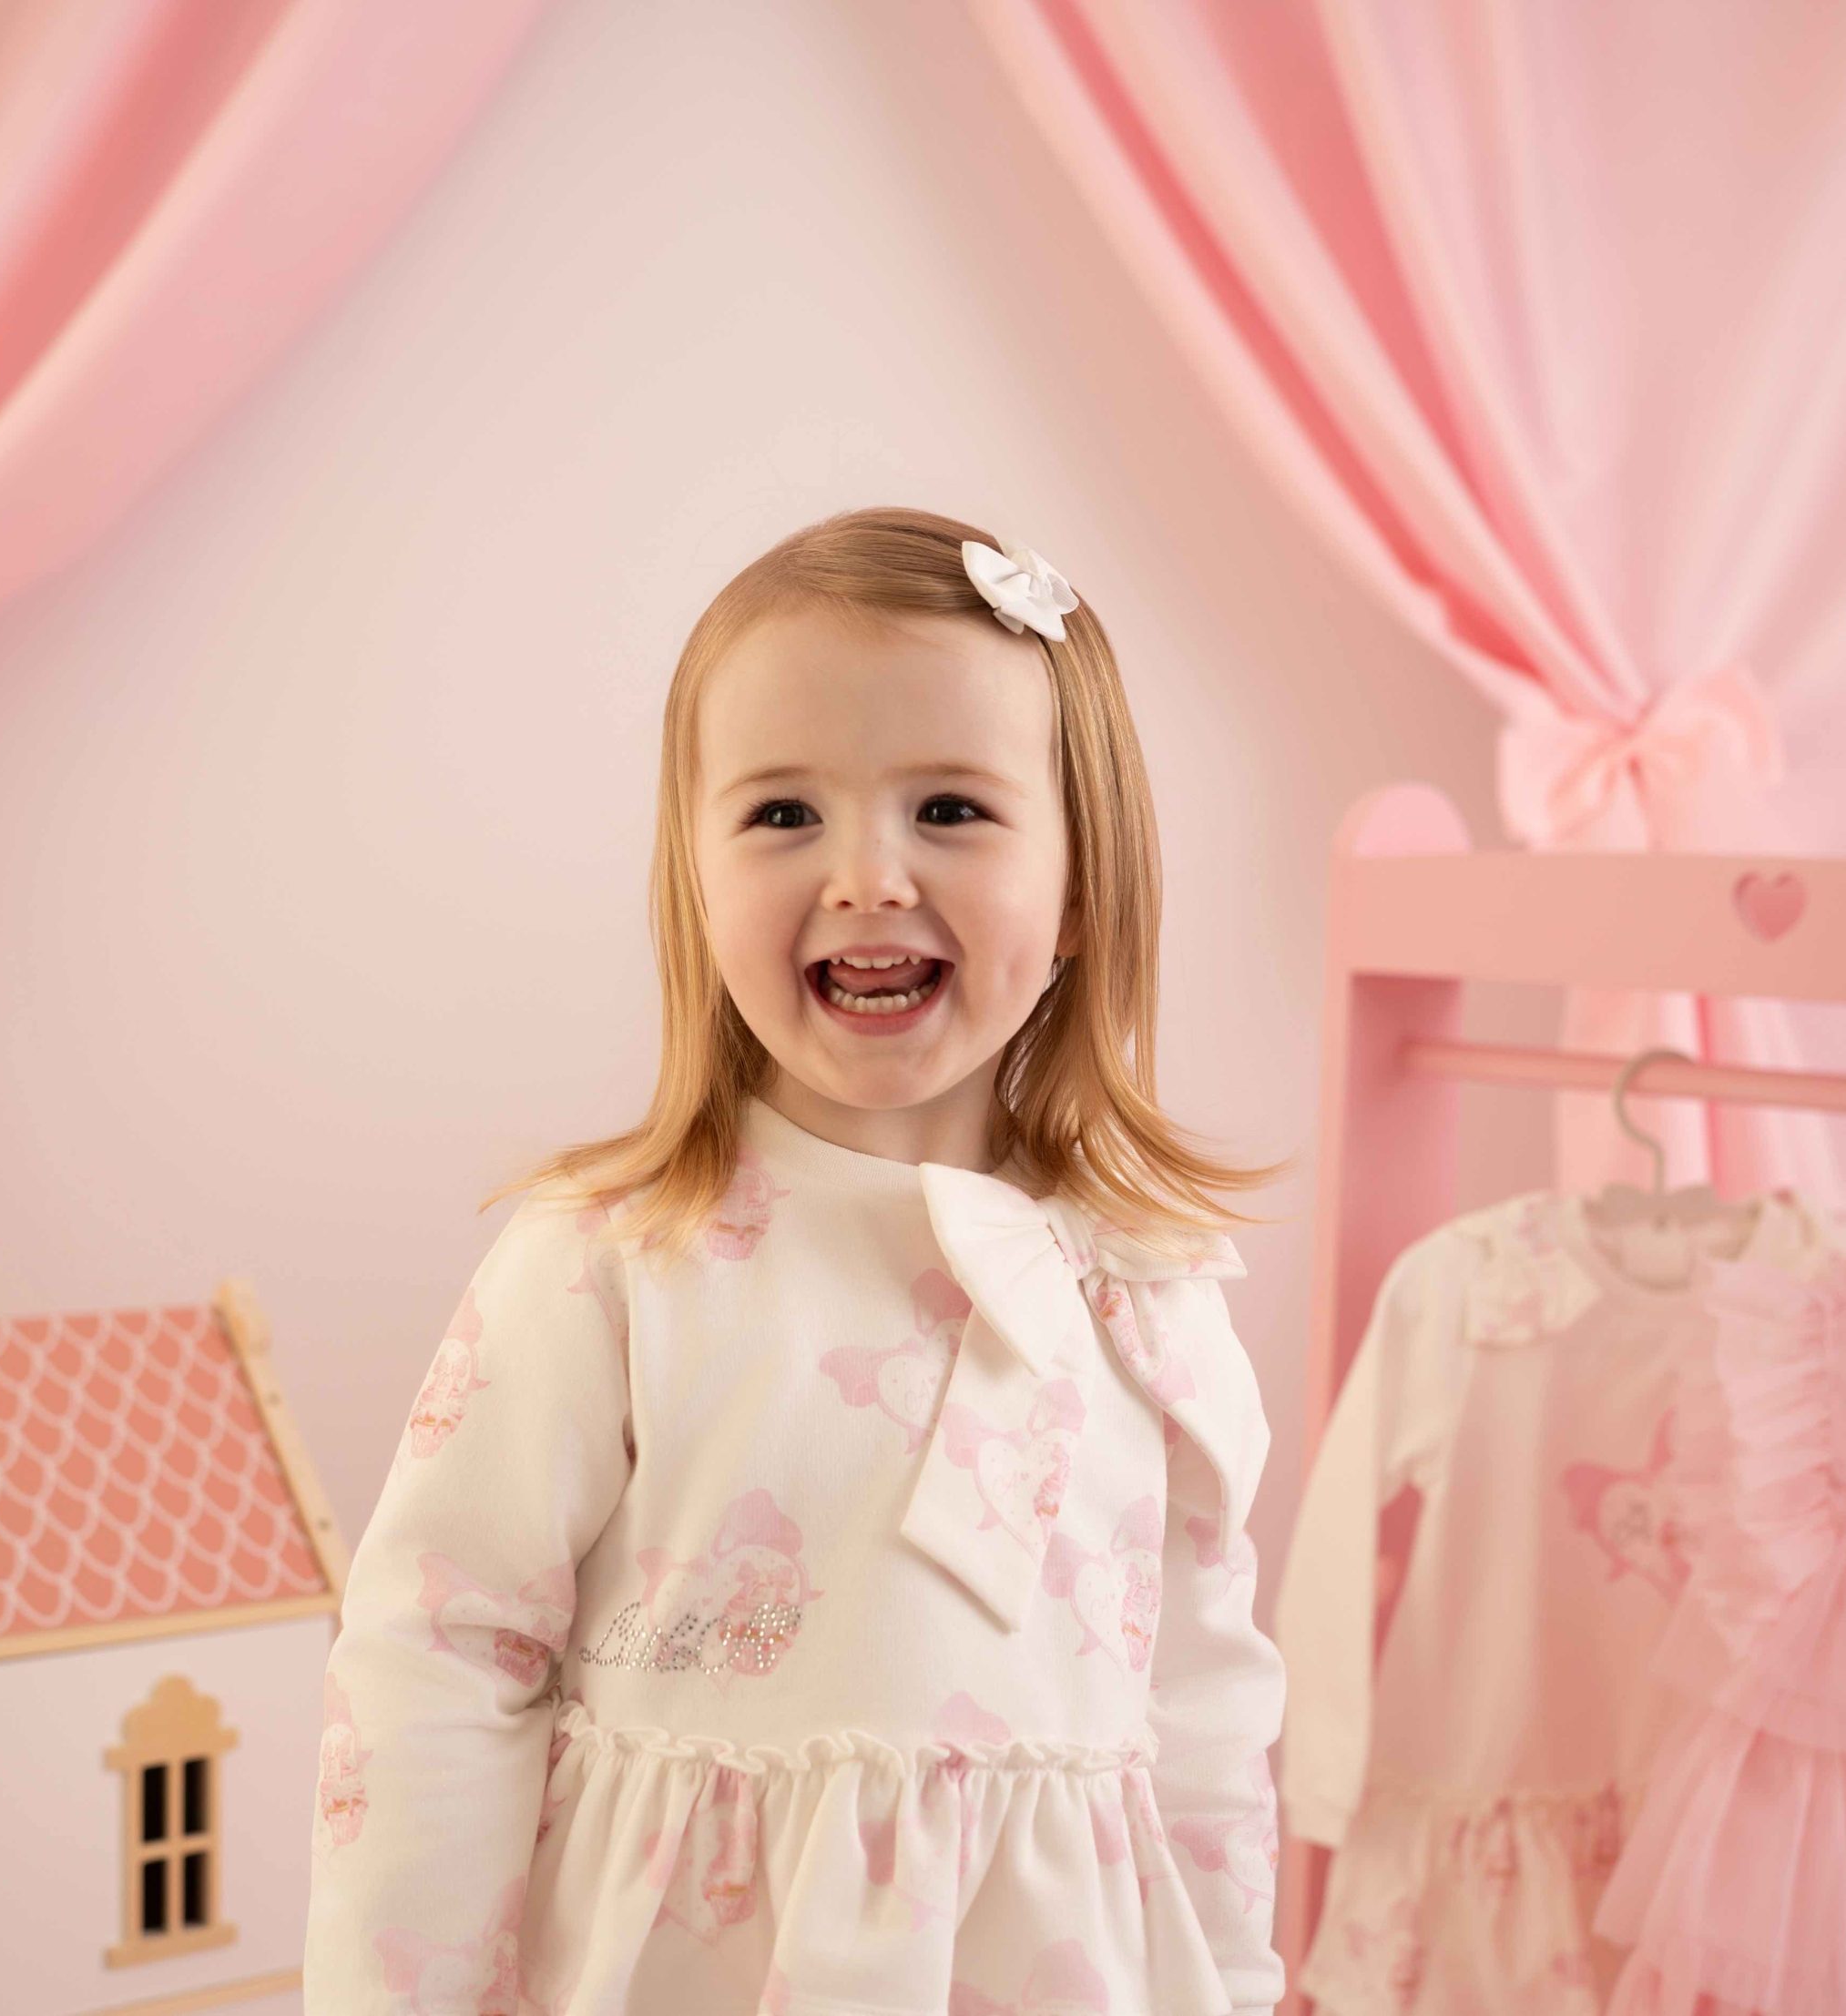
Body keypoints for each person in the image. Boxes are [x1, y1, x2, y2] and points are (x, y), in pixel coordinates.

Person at [301, 504, 1291, 2015]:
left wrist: (1236, 1978)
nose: (867, 876)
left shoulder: (1149, 1289)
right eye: (783, 814)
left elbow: (1207, 1711)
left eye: (948, 807)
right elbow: (437, 1658)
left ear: (1083, 883)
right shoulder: (610, 1261)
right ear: (697, 883)